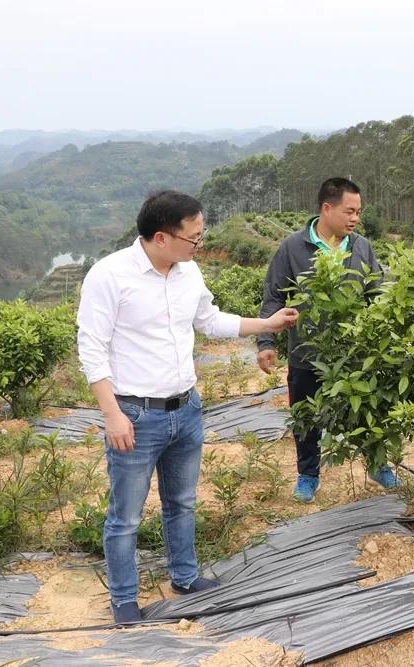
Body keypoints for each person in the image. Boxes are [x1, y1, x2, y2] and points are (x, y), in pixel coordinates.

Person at [77, 190, 298, 625]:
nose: (199, 246)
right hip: (135, 415)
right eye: (194, 239)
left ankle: (185, 576)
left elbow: (209, 320)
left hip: (187, 409)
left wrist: (266, 325)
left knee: (182, 502)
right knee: (126, 517)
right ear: (162, 237)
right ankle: (124, 599)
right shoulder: (110, 276)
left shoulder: (187, 272)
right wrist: (111, 414)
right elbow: (92, 348)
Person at [257, 178, 398, 503]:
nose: (355, 218)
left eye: (358, 212)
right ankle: (308, 474)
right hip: (306, 355)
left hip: (355, 356)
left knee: (367, 412)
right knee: (306, 416)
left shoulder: (362, 247)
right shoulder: (292, 248)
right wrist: (266, 342)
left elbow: (376, 293)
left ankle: (377, 464)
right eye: (350, 211)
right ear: (326, 208)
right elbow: (274, 298)